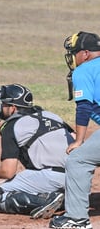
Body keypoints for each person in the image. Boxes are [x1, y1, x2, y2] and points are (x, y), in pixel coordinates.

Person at [0, 84, 75, 219]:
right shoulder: (52, 116)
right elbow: (76, 140)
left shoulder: (11, 126)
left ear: (13, 108)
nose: (0, 107)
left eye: (3, 104)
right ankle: (70, 199)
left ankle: (44, 200)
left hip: (51, 178)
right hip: (78, 178)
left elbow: (7, 172)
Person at [49, 31, 100, 229]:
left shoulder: (84, 71)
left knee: (78, 159)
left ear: (85, 53)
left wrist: (79, 141)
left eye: (74, 52)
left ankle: (77, 219)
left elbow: (84, 107)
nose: (72, 57)